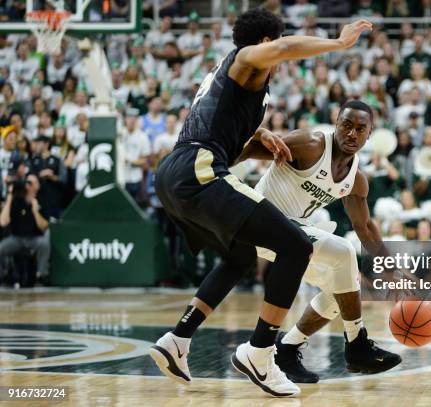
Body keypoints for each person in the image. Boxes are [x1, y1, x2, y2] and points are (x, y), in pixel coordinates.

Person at [149, 8, 371, 397]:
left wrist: (256, 137)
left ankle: (177, 340)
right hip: (196, 170)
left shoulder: (239, 84)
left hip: (178, 173)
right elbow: (284, 48)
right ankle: (261, 351)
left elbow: (225, 139)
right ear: (266, 43)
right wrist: (340, 42)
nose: (280, 63)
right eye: (276, 50)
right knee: (296, 245)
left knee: (238, 256)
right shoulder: (246, 57)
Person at [236, 101, 401, 383]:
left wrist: (388, 267)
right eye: (347, 125)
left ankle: (286, 349)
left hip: (293, 236)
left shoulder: (355, 180)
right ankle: (357, 343)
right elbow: (251, 147)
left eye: (360, 129)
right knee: (343, 252)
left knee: (343, 290)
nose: (352, 134)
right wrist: (212, 171)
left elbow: (364, 226)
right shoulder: (311, 144)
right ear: (336, 124)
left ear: (369, 135)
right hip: (261, 221)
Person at [0, 174, 50, 281]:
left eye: (32, 183)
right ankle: (2, 274)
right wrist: (10, 196)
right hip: (16, 238)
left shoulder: (42, 200)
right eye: (27, 182)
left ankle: (42, 275)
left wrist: (35, 211)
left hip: (34, 238)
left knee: (44, 244)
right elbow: (3, 222)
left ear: (38, 185)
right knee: (1, 248)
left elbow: (44, 227)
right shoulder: (16, 199)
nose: (28, 186)